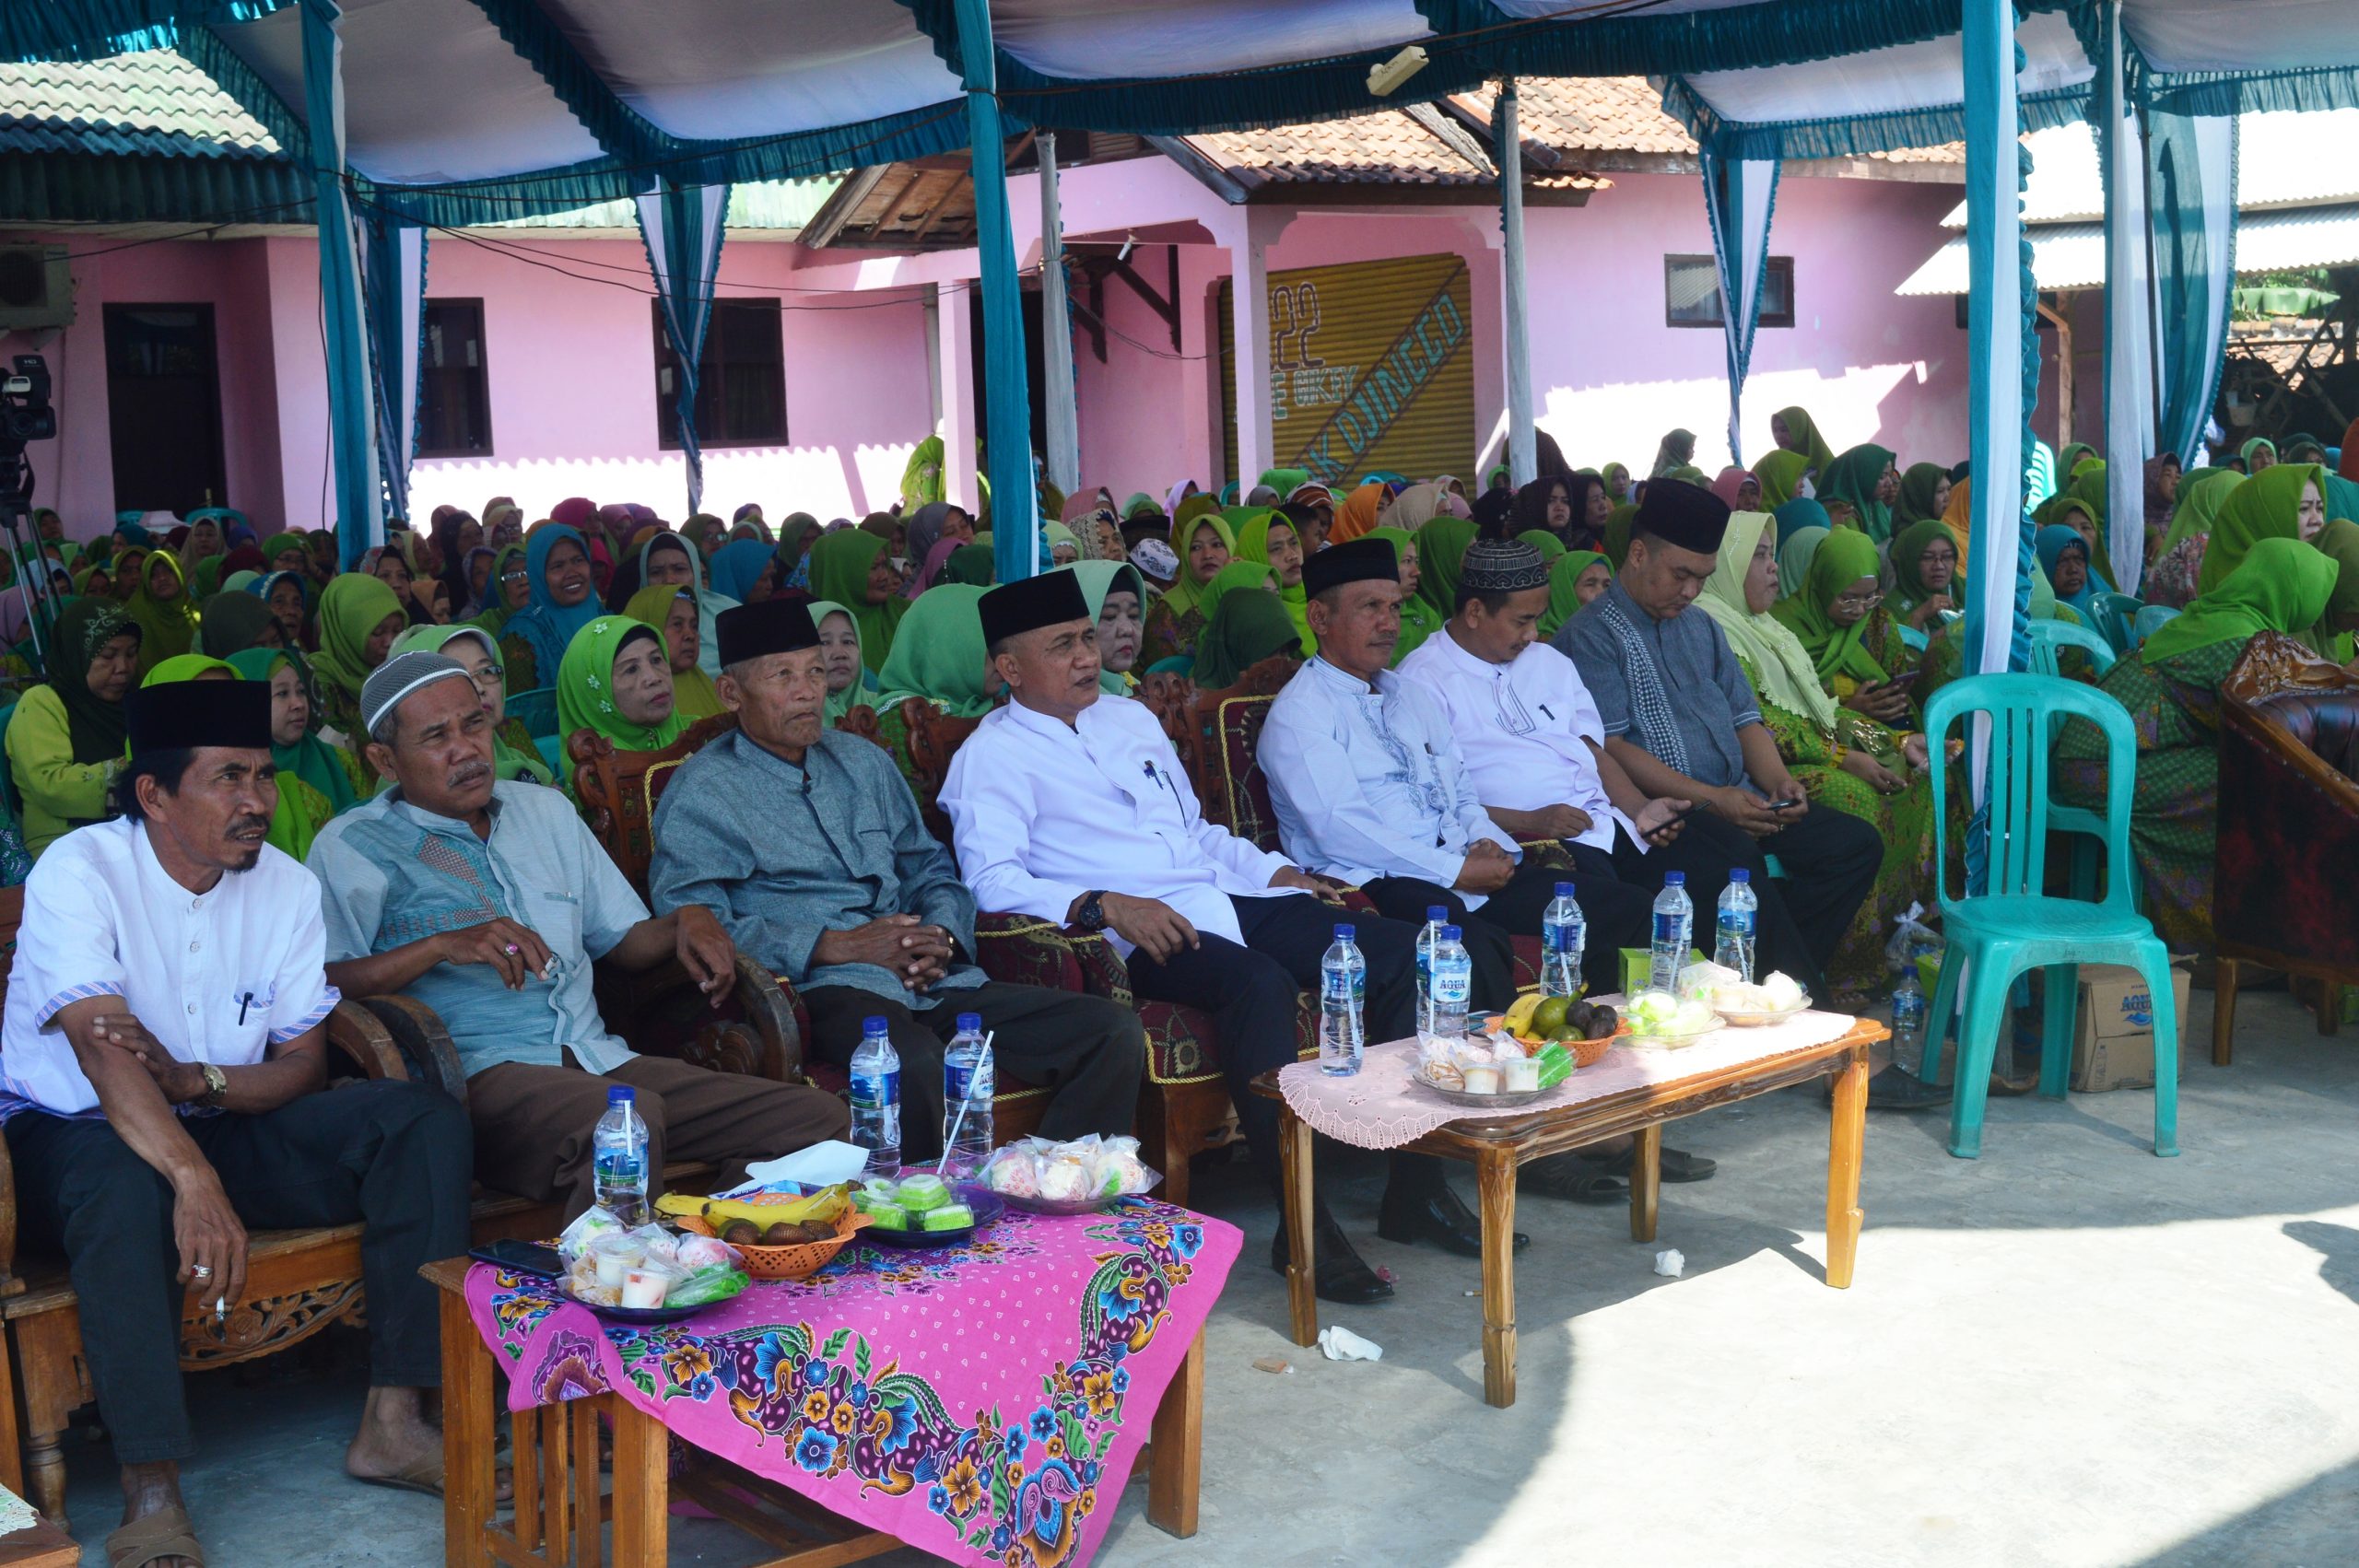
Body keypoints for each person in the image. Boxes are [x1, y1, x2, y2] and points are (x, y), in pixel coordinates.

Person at [2, 681, 472, 1567]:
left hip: (213, 1112)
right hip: (67, 1134)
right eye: (228, 779)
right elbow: (106, 1060)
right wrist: (192, 1179)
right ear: (154, 796)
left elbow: (304, 1065)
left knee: (419, 1120)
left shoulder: (285, 888)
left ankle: (396, 1422)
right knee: (120, 1182)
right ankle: (151, 1485)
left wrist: (198, 1078)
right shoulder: (80, 870)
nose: (257, 800)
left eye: (260, 775)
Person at [943, 570, 1499, 1305]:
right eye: (1061, 647)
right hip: (1130, 938)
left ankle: (1414, 1187)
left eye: (1085, 639)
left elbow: (1196, 834)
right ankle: (1301, 1221)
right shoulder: (991, 756)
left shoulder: (1130, 719)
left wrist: (1277, 872)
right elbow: (991, 881)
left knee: (1404, 954)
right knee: (1257, 986)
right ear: (1010, 668)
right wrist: (1101, 904)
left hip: (1218, 897)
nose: (1085, 657)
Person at [308, 653, 848, 1217]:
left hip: (600, 1060)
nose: (465, 749)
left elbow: (625, 942)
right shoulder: (351, 847)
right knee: (625, 1122)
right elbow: (321, 983)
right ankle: (603, 1290)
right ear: (384, 759)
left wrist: (686, 918)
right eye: (435, 737)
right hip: (479, 1078)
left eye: (473, 724)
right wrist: (440, 946)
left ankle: (709, 1254)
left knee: (817, 1121)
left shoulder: (544, 812)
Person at [651, 599, 1144, 1160]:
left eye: (815, 671)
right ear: (732, 693)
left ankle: (1045, 1195)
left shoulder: (863, 763)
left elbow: (931, 868)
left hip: (932, 978)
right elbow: (695, 925)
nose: (808, 691)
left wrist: (942, 937)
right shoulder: (704, 790)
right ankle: (920, 1229)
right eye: (782, 676)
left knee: (1108, 1031)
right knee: (910, 1062)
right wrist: (834, 947)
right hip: (822, 991)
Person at [1555, 479, 1882, 1000]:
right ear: (1638, 554)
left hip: (1739, 796)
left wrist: (1779, 785)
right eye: (1680, 574)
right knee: (1736, 867)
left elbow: (1745, 719)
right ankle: (1800, 1000)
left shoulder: (1703, 627)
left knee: (1853, 846)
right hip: (1669, 813)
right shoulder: (1589, 637)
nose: (1689, 591)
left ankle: (1775, 982)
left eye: (1701, 578)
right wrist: (1715, 801)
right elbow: (1610, 747)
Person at [1690, 513, 1955, 1048]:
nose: (1772, 570)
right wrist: (1841, 759)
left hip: (1804, 757)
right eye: (1760, 557)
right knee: (1856, 799)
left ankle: (1895, 944)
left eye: (1773, 555)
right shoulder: (1714, 626)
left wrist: (1897, 742)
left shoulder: (1767, 629)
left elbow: (1824, 709)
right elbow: (1766, 725)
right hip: (1765, 770)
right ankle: (1835, 967)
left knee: (1922, 779)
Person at [2056, 537, 2338, 953]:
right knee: (2248, 788)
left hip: (2121, 753)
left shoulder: (2228, 618)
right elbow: (2273, 724)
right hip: (2099, 763)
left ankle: (2244, 934)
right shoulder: (2238, 640)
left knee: (2253, 781)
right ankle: (2229, 937)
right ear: (2293, 590)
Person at [7, 599, 138, 859]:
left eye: (131, 654)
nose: (123, 668)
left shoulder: (135, 702)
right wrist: (140, 771)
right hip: (63, 845)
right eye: (108, 656)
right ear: (77, 654)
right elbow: (53, 786)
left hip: (131, 836)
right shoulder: (41, 703)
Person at [388, 623, 555, 786]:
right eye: (458, 678)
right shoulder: (411, 789)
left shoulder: (518, 759)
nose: (479, 688)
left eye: (487, 671)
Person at [556, 614, 688, 776]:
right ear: (597, 695)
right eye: (631, 669)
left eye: (656, 660)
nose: (654, 678)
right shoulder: (596, 773)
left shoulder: (700, 734)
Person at [498, 525, 603, 693]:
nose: (572, 572)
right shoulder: (521, 637)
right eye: (557, 566)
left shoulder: (605, 618)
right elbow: (520, 713)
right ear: (539, 575)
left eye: (578, 560)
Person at [1141, 505, 1238, 665]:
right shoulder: (1167, 613)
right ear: (1185, 555)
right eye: (1196, 548)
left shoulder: (1247, 597)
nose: (1207, 555)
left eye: (1217, 545)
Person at [805, 530, 906, 675]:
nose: (884, 575)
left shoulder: (904, 613)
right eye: (874, 568)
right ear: (843, 573)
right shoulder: (808, 629)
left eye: (885, 565)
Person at [626, 585, 725, 720]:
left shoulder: (702, 683)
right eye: (677, 624)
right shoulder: (633, 696)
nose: (690, 635)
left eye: (694, 625)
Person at [1234, 509, 1314, 656]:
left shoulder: (1320, 599)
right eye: (1276, 549)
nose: (1292, 555)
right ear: (1254, 556)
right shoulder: (1254, 619)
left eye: (1294, 543)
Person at [1368, 524, 1440, 662]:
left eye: (1417, 562)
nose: (1416, 572)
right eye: (1407, 561)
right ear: (1381, 562)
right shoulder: (1356, 616)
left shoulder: (1426, 616)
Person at [1073, 561, 1149, 688]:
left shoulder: (1142, 691)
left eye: (1134, 615)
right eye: (1109, 616)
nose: (1127, 630)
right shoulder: (1067, 704)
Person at [126, 551, 199, 677]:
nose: (162, 578)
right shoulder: (136, 613)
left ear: (179, 573)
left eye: (169, 571)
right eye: (153, 575)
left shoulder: (196, 612)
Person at [1539, 549, 1613, 639]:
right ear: (1565, 592)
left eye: (1606, 585)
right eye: (1590, 584)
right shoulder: (1540, 646)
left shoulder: (1613, 639)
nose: (1601, 593)